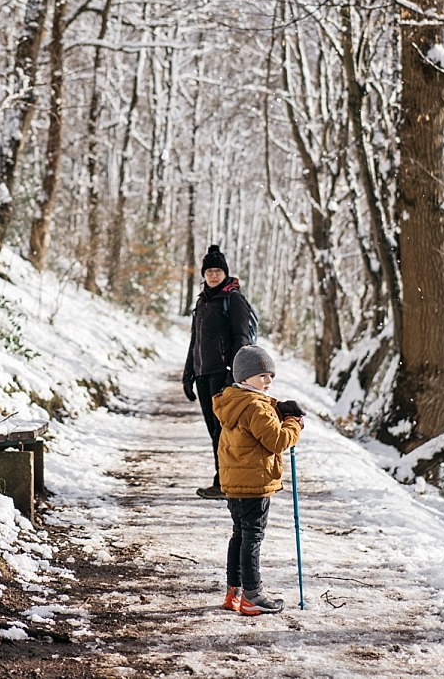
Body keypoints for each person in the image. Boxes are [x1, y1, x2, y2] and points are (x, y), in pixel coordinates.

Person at [212, 344, 304, 616]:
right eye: (262, 376)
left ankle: (234, 592)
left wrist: (277, 408)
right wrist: (293, 424)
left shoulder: (234, 402)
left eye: (271, 376)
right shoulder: (256, 408)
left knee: (240, 536)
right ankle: (253, 596)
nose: (268, 381)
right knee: (252, 537)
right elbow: (277, 441)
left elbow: (256, 424)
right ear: (244, 378)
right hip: (255, 483)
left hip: (236, 483)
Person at [182, 244, 258, 498]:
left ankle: (225, 483)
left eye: (218, 270)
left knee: (223, 431)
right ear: (203, 274)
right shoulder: (202, 302)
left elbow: (242, 338)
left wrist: (232, 374)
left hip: (222, 375)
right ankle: (223, 481)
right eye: (209, 271)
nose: (213, 275)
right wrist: (189, 373)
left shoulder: (233, 300)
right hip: (204, 375)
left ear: (225, 273)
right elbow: (195, 341)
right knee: (213, 431)